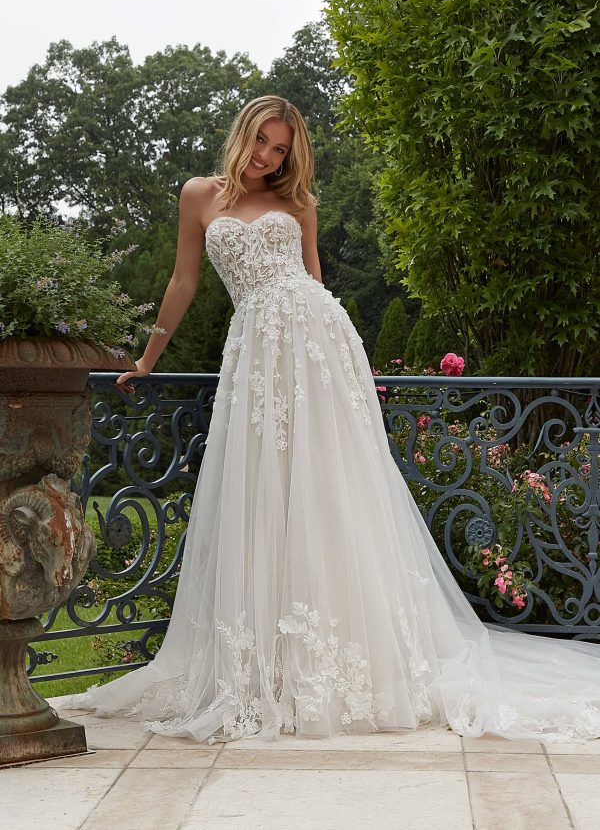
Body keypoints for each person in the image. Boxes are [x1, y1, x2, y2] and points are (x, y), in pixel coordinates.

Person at [64, 95, 600, 745]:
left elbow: (315, 280)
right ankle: (270, 658)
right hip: (256, 349)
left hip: (316, 343)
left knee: (327, 490)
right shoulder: (199, 196)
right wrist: (149, 356)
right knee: (265, 493)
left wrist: (342, 362)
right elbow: (183, 282)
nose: (268, 155)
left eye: (280, 148)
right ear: (243, 133)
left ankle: (344, 656)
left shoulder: (299, 203)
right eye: (262, 140)